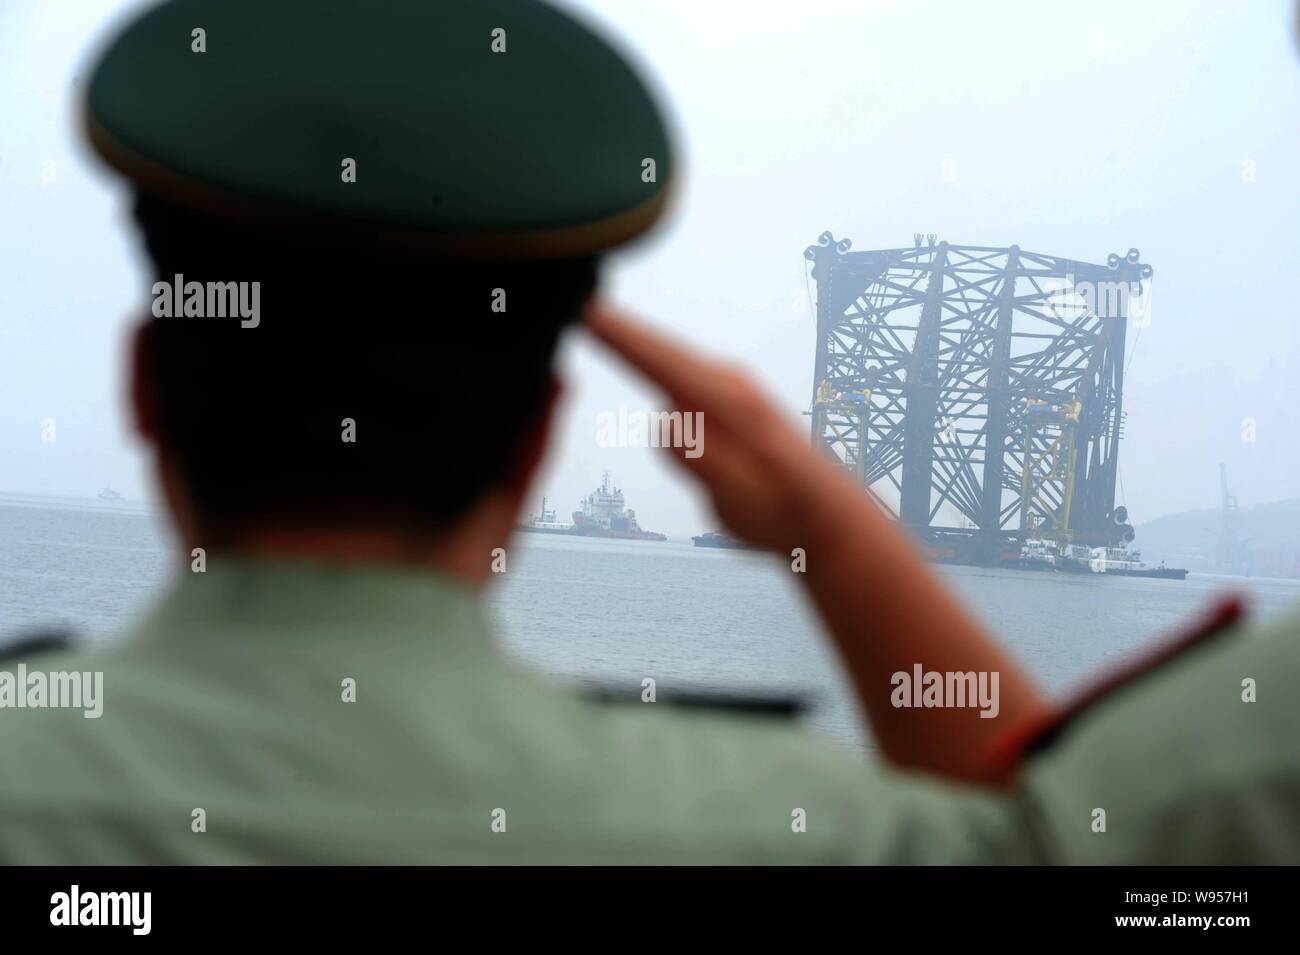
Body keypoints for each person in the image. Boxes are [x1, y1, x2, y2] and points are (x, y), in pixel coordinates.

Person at [3, 0, 1298, 865]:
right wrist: (823, 523)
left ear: (143, 391)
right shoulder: (790, 829)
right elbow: (1052, 844)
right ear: (536, 444)